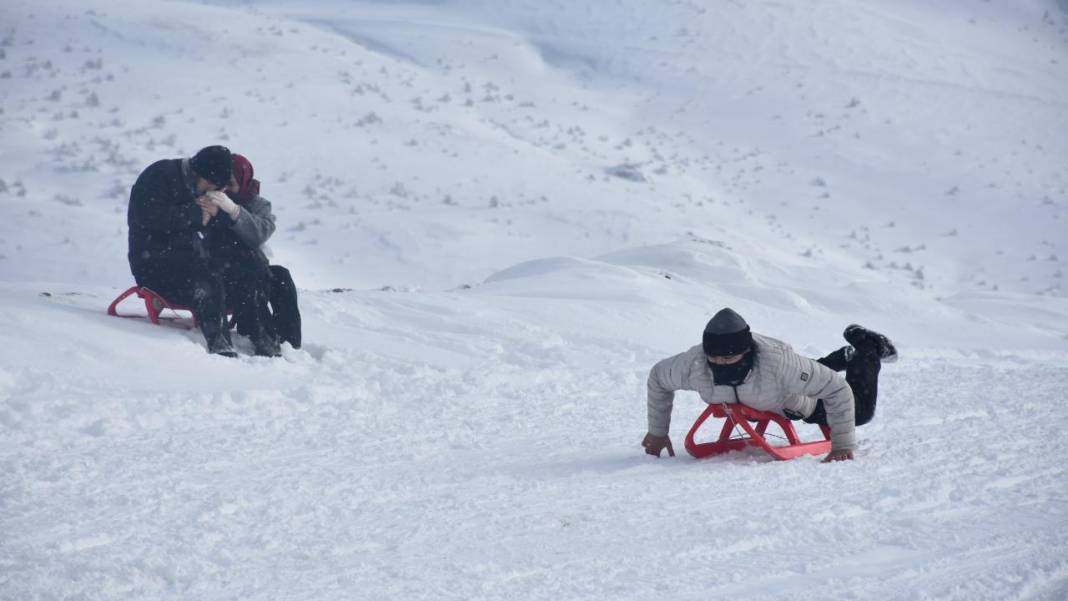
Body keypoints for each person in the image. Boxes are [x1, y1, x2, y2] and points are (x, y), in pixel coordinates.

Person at [641, 308, 897, 462]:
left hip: (792, 398)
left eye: (729, 358)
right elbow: (658, 378)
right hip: (775, 384)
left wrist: (842, 445)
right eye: (714, 358)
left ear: (746, 351)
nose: (721, 363)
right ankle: (844, 357)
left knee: (859, 412)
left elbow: (837, 390)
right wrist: (657, 432)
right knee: (796, 374)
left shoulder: (779, 364)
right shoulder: (692, 364)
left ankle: (867, 348)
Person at [127, 145, 239, 356]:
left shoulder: (199, 190)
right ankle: (219, 344)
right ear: (199, 173)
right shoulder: (159, 176)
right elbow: (149, 217)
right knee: (208, 277)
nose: (210, 191)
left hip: (192, 262)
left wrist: (217, 214)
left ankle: (268, 339)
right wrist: (195, 213)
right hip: (153, 265)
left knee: (244, 271)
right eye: (211, 184)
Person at [200, 153, 301, 350]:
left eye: (231, 183)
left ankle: (290, 342)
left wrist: (234, 211)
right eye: (223, 183)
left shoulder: (258, 205)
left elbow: (259, 234)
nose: (226, 189)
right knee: (249, 273)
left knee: (281, 277)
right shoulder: (209, 200)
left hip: (254, 270)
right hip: (222, 275)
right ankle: (260, 336)